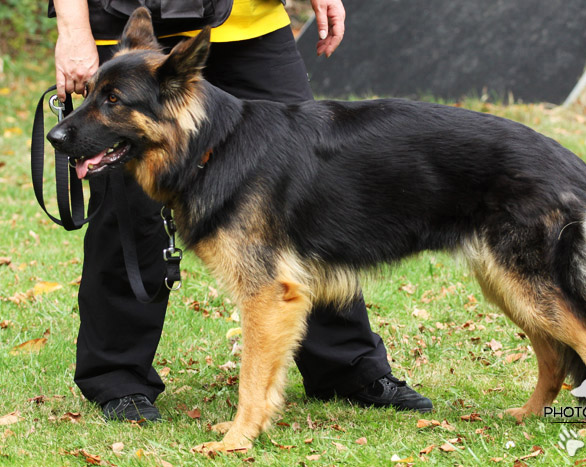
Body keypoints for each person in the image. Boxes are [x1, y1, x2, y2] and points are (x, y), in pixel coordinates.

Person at [50, 0, 433, 422]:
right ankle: (117, 379)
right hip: (124, 13)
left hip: (248, 19)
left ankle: (346, 367)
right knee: (128, 213)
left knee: (312, 189)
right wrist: (72, 26)